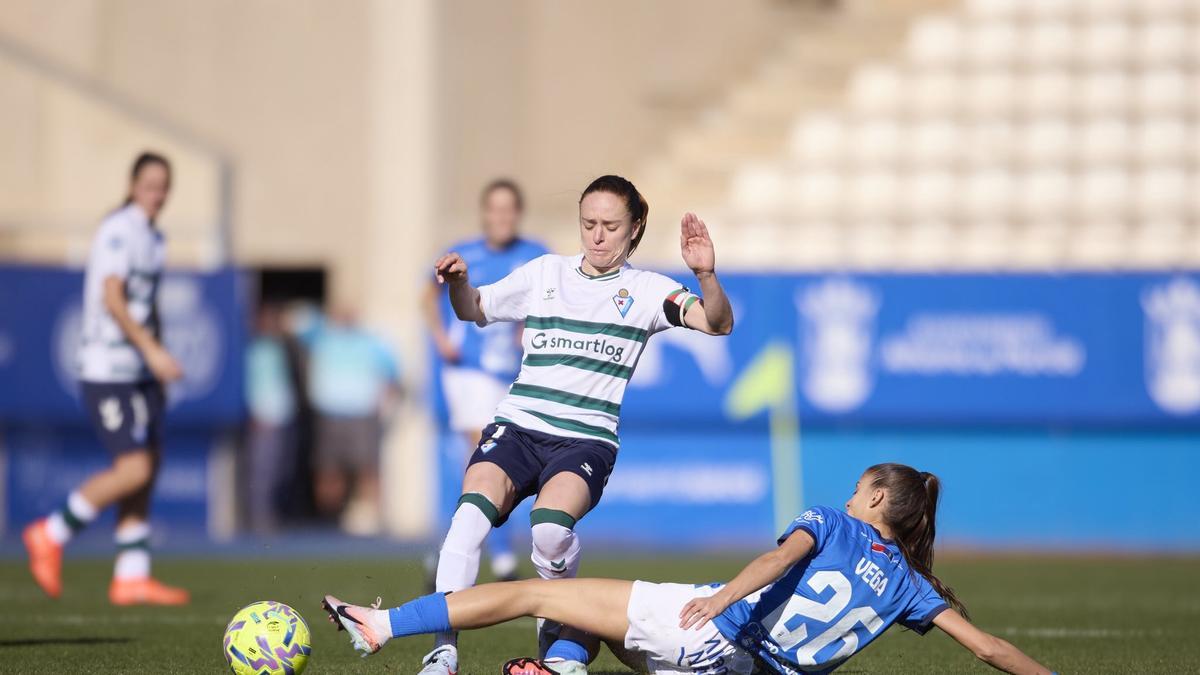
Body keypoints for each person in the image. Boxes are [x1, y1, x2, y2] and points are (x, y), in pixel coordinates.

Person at [416, 174, 735, 675]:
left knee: (548, 529)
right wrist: (459, 284)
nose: (598, 235)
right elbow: (472, 309)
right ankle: (443, 652)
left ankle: (561, 618)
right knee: (468, 519)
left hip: (585, 440)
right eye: (589, 224)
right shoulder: (545, 273)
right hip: (519, 426)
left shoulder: (649, 290)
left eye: (611, 225)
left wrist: (707, 276)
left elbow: (716, 323)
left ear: (635, 229)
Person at [324, 463, 1056, 675]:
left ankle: (380, 624)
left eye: (858, 485)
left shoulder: (834, 521)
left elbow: (778, 558)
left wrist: (724, 597)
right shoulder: (911, 584)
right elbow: (989, 649)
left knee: (536, 592)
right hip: (745, 673)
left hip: (708, 629)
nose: (849, 492)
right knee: (595, 620)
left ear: (872, 499)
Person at [23, 151, 190, 605]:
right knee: (132, 467)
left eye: (164, 186)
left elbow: (145, 303)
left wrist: (159, 350)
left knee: (148, 467)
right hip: (107, 369)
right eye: (150, 184)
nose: (157, 194)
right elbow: (113, 297)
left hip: (138, 372)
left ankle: (131, 574)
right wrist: (151, 350)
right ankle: (50, 532)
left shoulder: (156, 238)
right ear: (133, 184)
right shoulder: (119, 229)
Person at [421, 178, 548, 583]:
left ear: (518, 214)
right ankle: (503, 557)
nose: (501, 217)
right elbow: (428, 294)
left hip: (511, 374)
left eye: (508, 209)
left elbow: (548, 298)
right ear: (484, 214)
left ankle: (446, 549)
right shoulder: (465, 253)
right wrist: (440, 338)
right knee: (486, 451)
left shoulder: (535, 255)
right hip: (468, 371)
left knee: (486, 464)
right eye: (495, 208)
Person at [306, 304, 401, 535]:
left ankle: (376, 521)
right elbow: (297, 320)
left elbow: (392, 374)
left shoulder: (370, 341)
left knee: (368, 468)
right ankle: (329, 521)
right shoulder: (322, 337)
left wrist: (385, 403)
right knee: (329, 470)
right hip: (330, 414)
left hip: (362, 412)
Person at [242, 302, 300, 533]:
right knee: (263, 470)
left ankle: (275, 513)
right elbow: (249, 385)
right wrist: (254, 412)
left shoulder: (282, 347)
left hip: (284, 415)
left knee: (281, 470)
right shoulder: (253, 350)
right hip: (264, 417)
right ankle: (259, 517)